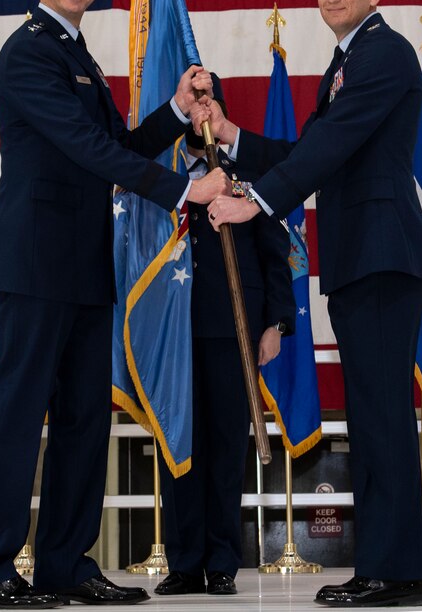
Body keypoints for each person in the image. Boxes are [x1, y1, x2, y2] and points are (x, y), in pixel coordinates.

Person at [0, 0, 229, 610]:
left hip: (83, 267)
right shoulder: (27, 54)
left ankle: (64, 566)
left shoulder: (77, 55)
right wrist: (184, 189)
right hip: (35, 265)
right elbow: (86, 149)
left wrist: (174, 110)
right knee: (17, 419)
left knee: (84, 421)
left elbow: (122, 145)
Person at [204, 0, 422, 608]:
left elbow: (332, 147)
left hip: (383, 254)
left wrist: (255, 201)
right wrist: (233, 134)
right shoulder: (347, 61)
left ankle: (393, 574)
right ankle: (382, 566)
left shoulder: (384, 54)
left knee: (383, 416)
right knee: (369, 414)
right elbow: (310, 149)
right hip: (360, 258)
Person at [153, 79, 295, 598]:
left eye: (211, 108)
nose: (202, 116)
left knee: (227, 444)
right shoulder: (162, 180)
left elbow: (275, 251)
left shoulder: (247, 176)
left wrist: (275, 323)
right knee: (180, 444)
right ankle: (185, 561)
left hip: (235, 325)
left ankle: (221, 562)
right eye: (195, 108)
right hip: (173, 332)